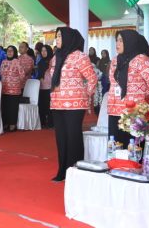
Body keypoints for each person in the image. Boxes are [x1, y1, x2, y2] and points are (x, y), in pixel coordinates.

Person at [49, 27, 97, 182]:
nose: (57, 39)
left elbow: (92, 79)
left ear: (69, 38)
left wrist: (85, 95)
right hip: (57, 103)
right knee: (61, 138)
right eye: (56, 37)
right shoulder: (56, 57)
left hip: (75, 105)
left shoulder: (79, 57)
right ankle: (62, 170)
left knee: (73, 137)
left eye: (59, 37)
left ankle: (75, 171)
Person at [108, 30, 149, 147]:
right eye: (117, 40)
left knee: (133, 147)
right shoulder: (115, 60)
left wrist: (141, 96)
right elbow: (112, 81)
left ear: (129, 42)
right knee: (116, 145)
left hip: (134, 110)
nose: (117, 44)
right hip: (115, 109)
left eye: (121, 41)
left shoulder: (141, 59)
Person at [0, 45, 25, 132]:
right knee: (5, 106)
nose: (9, 52)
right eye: (8, 51)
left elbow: (22, 75)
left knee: (12, 107)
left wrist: (16, 82)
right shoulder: (3, 62)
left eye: (11, 51)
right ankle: (5, 123)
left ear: (14, 52)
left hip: (14, 89)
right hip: (4, 88)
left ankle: (12, 124)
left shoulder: (17, 61)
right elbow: (1, 73)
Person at [37, 45, 54, 128]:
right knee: (42, 105)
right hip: (41, 86)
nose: (43, 52)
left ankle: (51, 123)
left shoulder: (53, 61)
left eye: (45, 51)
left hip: (50, 86)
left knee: (50, 106)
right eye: (42, 51)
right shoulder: (40, 62)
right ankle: (42, 122)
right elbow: (38, 74)